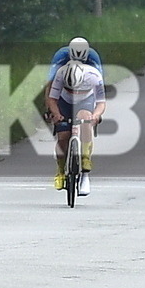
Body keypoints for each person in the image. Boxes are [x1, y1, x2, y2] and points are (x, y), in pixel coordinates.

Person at [46, 60, 106, 196]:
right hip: (65, 101)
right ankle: (61, 171)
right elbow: (52, 100)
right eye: (70, 88)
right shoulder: (61, 74)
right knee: (63, 136)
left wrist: (96, 115)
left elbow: (101, 102)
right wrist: (56, 114)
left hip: (86, 99)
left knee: (85, 119)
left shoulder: (94, 75)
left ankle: (85, 158)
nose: (74, 91)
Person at [43, 37, 103, 109]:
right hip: (65, 88)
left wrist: (97, 107)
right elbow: (50, 82)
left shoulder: (93, 57)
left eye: (82, 61)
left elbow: (99, 83)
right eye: (74, 59)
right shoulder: (61, 55)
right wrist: (49, 107)